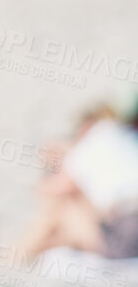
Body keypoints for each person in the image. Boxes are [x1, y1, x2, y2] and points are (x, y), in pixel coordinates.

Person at [21, 103, 138, 260]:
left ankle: (14, 257)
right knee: (69, 221)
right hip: (125, 222)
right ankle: (21, 254)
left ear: (85, 127)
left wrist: (58, 160)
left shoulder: (87, 146)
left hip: (129, 230)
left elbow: (54, 189)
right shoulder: (126, 136)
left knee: (60, 208)